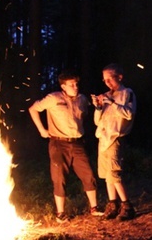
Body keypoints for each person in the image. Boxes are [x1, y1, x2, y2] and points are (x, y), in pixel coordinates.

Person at [29, 70, 102, 222]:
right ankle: (60, 213)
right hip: (58, 143)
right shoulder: (53, 98)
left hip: (77, 143)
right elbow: (33, 109)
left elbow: (88, 114)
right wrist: (42, 130)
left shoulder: (82, 99)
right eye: (71, 85)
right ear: (63, 86)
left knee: (88, 175)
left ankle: (94, 208)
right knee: (59, 178)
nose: (75, 87)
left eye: (76, 84)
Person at [92, 63, 137, 221]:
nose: (107, 83)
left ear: (119, 77)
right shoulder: (105, 95)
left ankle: (127, 206)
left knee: (114, 173)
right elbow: (97, 121)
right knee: (106, 174)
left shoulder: (127, 93)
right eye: (104, 80)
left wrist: (111, 102)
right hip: (103, 138)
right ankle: (113, 204)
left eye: (110, 79)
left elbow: (129, 114)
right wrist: (98, 107)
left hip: (115, 138)